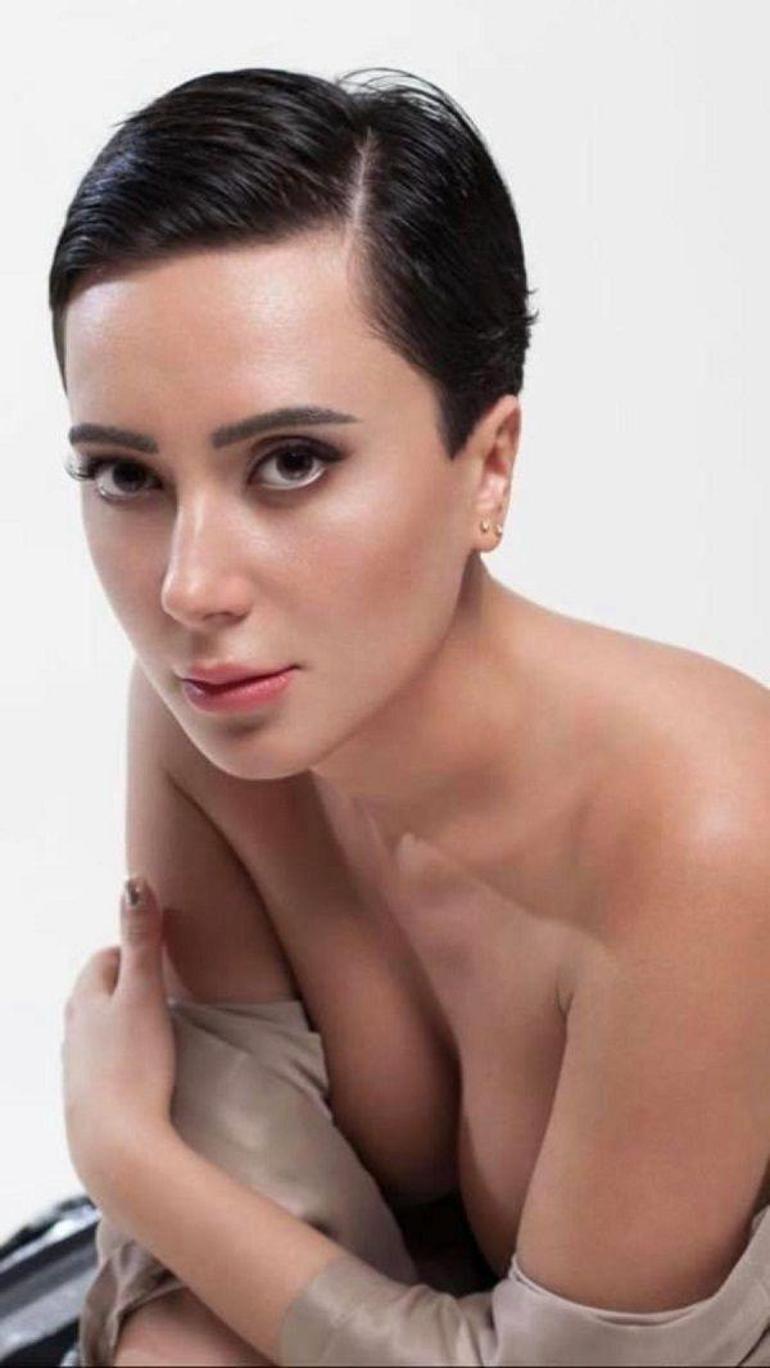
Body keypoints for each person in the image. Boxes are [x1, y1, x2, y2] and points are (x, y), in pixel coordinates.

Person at [50, 65, 770, 1367]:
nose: (189, 589)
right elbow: (227, 1278)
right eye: (124, 474)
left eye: (290, 462)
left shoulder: (708, 830)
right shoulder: (211, 718)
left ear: (487, 466)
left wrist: (124, 1153)